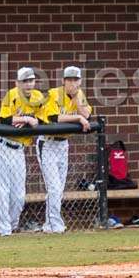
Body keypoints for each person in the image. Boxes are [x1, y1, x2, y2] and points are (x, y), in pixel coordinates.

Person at [36, 66, 93, 234]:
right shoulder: (54, 94)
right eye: (69, 79)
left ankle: (49, 225)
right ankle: (57, 226)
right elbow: (54, 118)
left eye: (76, 80)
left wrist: (77, 99)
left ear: (80, 81)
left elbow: (87, 115)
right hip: (48, 143)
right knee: (54, 187)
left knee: (59, 188)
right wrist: (77, 117)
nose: (72, 83)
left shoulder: (80, 95)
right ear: (63, 81)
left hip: (63, 144)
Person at [0, 67, 46, 236]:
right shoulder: (12, 94)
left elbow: (44, 120)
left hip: (19, 150)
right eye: (24, 81)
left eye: (31, 80)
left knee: (19, 195)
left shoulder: (38, 97)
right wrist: (26, 118)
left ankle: (13, 225)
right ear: (17, 83)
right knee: (3, 191)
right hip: (2, 146)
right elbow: (4, 119)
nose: (28, 84)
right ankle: (4, 230)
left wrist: (31, 121)